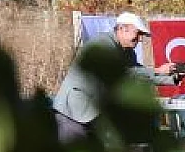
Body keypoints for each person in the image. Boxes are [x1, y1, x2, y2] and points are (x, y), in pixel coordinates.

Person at [51, 12, 177, 143]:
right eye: (138, 33)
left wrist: (173, 77)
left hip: (95, 114)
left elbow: (140, 73)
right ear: (122, 29)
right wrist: (158, 70)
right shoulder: (103, 43)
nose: (140, 39)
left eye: (142, 35)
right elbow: (123, 73)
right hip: (73, 113)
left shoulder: (127, 52)